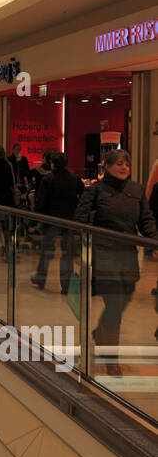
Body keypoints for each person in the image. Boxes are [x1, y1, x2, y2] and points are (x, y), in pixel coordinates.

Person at [74, 149, 158, 371]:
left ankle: (101, 332)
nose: (124, 168)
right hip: (104, 255)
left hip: (128, 255)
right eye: (119, 164)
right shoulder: (95, 191)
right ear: (107, 166)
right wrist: (82, 245)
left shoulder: (137, 190)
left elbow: (146, 219)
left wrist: (154, 241)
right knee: (114, 303)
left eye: (127, 164)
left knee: (125, 298)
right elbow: (80, 220)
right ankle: (110, 358)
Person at [31, 152, 84, 294]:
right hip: (70, 220)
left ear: (52, 164)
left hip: (52, 220)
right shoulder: (75, 179)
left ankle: (41, 277)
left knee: (47, 250)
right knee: (67, 252)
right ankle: (66, 285)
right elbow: (83, 197)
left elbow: (41, 202)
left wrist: (37, 220)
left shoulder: (48, 180)